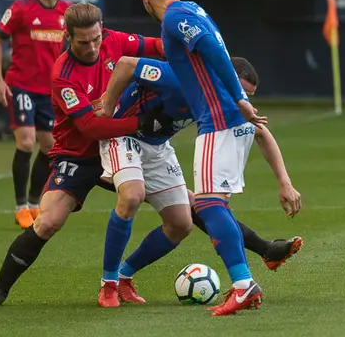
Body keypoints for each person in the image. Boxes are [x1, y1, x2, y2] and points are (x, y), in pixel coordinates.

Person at [0, 3, 172, 309]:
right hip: (77, 156)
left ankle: (258, 249)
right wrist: (141, 123)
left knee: (183, 205)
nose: (93, 47)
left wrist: (191, 49)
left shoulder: (115, 40)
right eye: (83, 42)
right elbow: (90, 127)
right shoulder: (63, 73)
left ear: (102, 28)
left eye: (96, 39)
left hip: (120, 148)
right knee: (48, 221)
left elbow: (158, 46)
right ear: (66, 36)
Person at [95, 55, 303, 307]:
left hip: (158, 148)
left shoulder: (228, 103)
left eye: (249, 95)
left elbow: (260, 132)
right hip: (122, 136)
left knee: (181, 224)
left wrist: (285, 182)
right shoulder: (179, 77)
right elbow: (126, 64)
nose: (243, 99)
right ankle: (108, 285)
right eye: (241, 90)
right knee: (131, 196)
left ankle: (123, 276)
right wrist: (108, 105)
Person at [131, 0, 270, 316]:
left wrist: (238, 94)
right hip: (229, 117)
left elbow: (210, 47)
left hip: (219, 116)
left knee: (207, 206)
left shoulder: (174, 17)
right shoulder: (191, 8)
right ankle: (244, 285)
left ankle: (242, 286)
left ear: (147, 0)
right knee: (214, 205)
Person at [0, 0, 72, 229]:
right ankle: (20, 205)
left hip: (50, 91)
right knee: (26, 142)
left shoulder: (68, 13)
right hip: (21, 85)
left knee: (48, 147)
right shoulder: (21, 9)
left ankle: (35, 203)